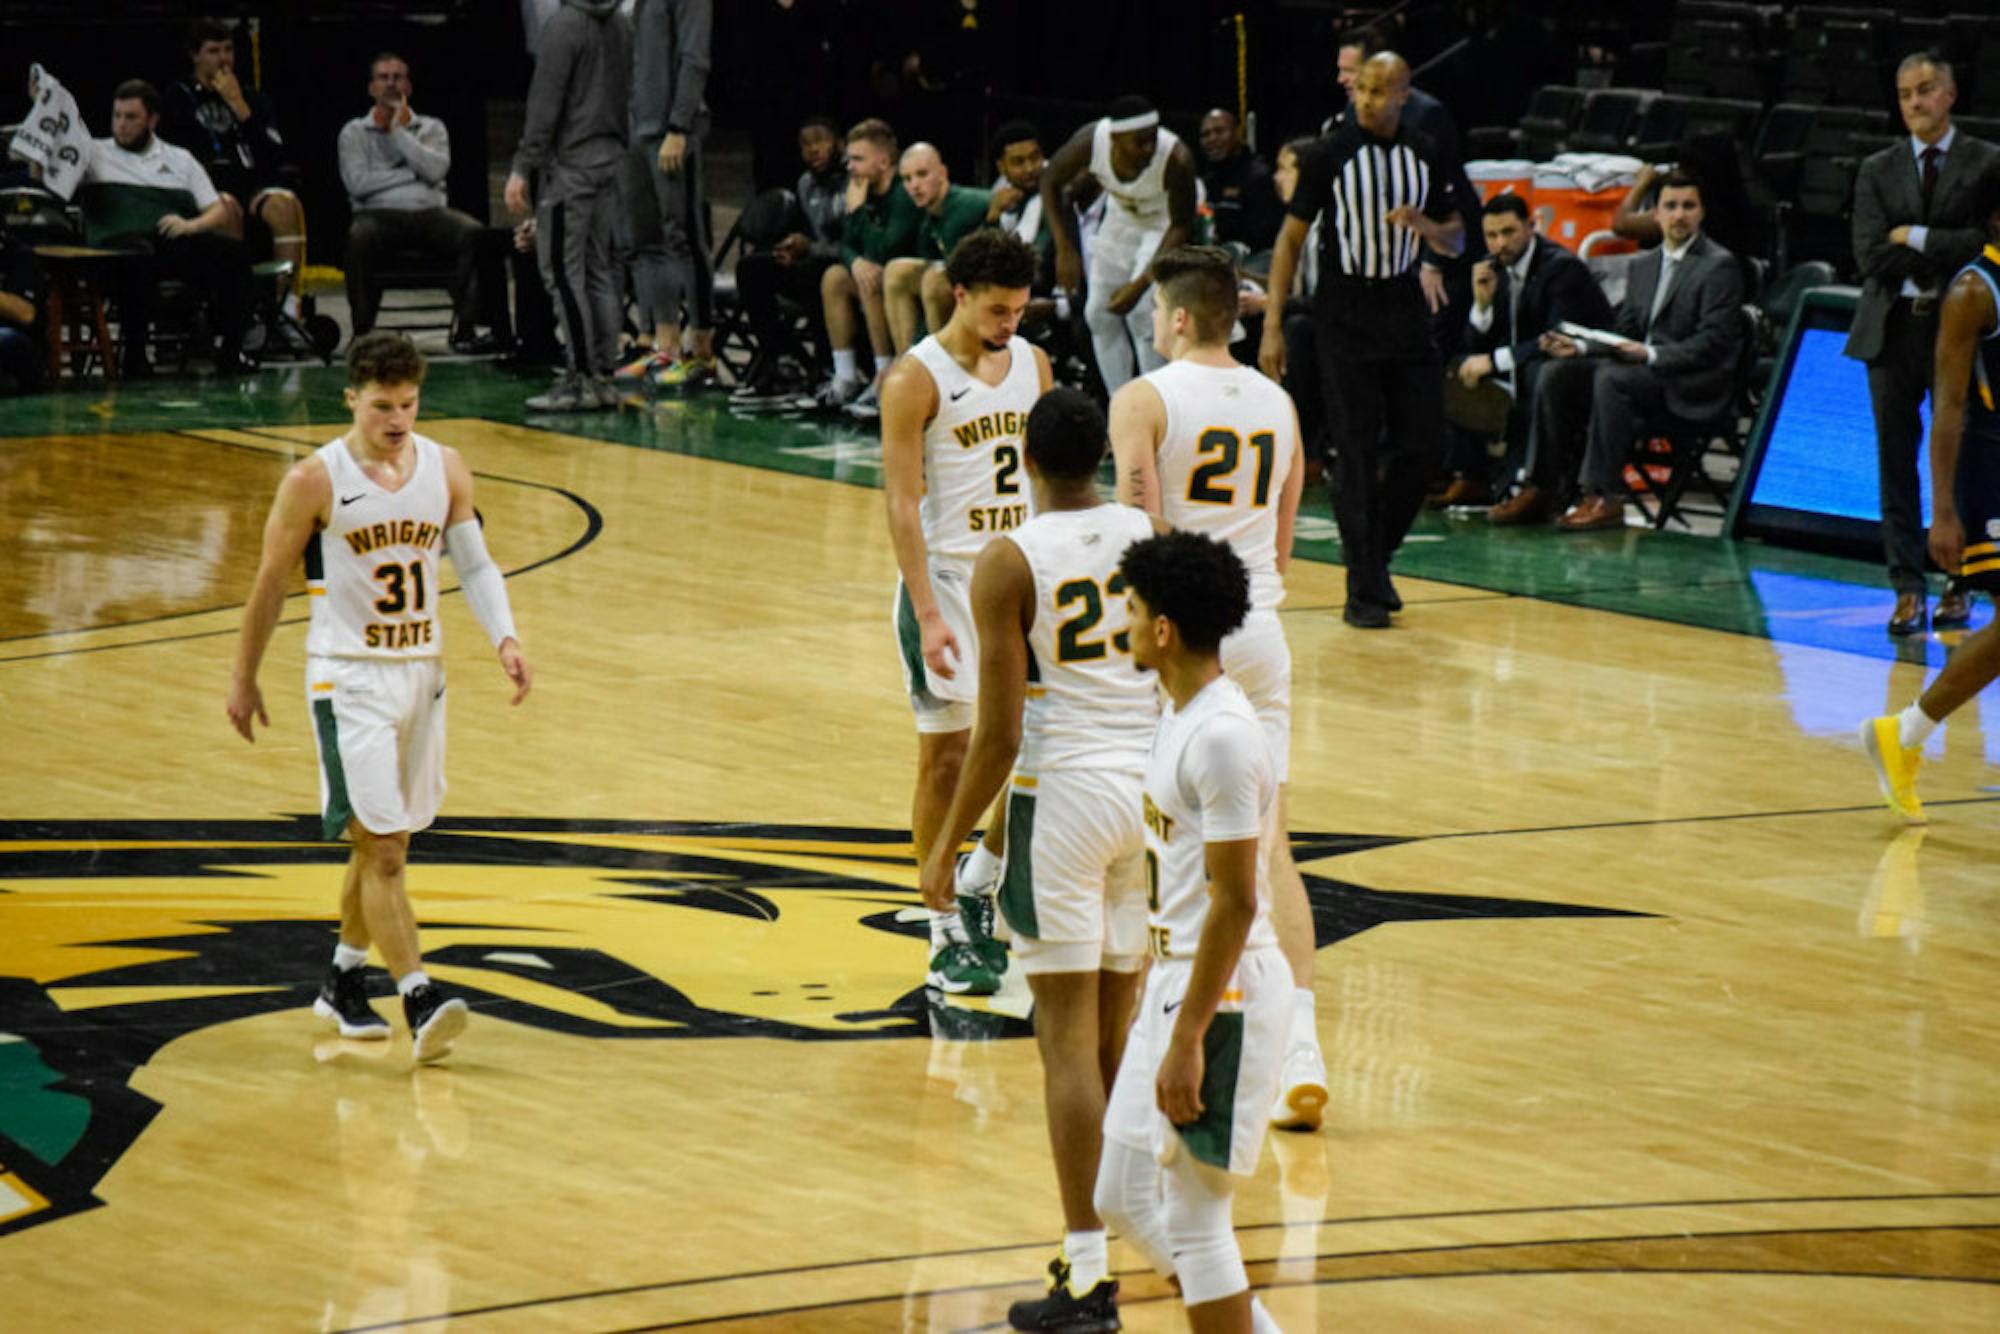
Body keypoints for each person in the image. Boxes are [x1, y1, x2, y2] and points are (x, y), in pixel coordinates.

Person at [915, 388, 1162, 1329]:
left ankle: (1088, 1269)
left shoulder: (1008, 558)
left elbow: (1001, 732)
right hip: (1144, 793)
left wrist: (950, 846)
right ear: (1100, 454)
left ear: (1021, 461)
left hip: (1060, 798)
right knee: (1111, 1036)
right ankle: (1112, 1244)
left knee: (1063, 1044)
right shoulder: (1146, 530)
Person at [224, 331, 534, 1063]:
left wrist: (506, 639)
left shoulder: (446, 468)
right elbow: (270, 584)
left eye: (410, 404)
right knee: (386, 848)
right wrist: (244, 676)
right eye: (383, 405)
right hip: (348, 677)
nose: (398, 419)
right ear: (351, 399)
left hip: (422, 674)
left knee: (380, 845)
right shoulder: (314, 481)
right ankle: (419, 993)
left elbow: (477, 565)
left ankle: (340, 979)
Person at [1109, 245, 1327, 1138]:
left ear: (1180, 318)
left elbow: (1141, 525)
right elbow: (1283, 534)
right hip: (1263, 629)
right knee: (1266, 845)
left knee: (1154, 835)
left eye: (1159, 312)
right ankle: (1302, 1052)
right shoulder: (1278, 400)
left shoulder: (1145, 396)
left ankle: (1158, 1023)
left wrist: (1161, 629)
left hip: (1184, 636)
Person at [1094, 528, 1291, 1333]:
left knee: (1197, 1220)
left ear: (1165, 629)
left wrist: (1189, 1036)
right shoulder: (1180, 711)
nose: (1125, 625)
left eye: (1134, 611)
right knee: (1124, 1195)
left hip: (1226, 992)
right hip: (1179, 982)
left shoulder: (1221, 737)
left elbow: (1237, 901)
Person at [880, 230, 1051, 995]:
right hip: (946, 584)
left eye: (1018, 309)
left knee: (1021, 752)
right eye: (997, 309)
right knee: (947, 758)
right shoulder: (915, 379)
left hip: (1021, 581)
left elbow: (1047, 482)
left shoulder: (1035, 365)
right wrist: (926, 609)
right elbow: (902, 505)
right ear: (960, 295)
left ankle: (980, 879)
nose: (1010, 323)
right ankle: (942, 920)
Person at [1261, 52, 1464, 630]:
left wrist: (1426, 228)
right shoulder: (1329, 154)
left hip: (1403, 308)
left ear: (1405, 93)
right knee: (1352, 450)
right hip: (1343, 311)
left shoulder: (1426, 150)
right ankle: (1363, 588)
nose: (1369, 100)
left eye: (1381, 91)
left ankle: (1375, 561)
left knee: (1423, 444)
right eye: (1364, 90)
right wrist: (1274, 324)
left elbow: (1455, 236)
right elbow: (1289, 242)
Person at [1861, 168, 2000, 822]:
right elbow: (1947, 406)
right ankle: (1906, 733)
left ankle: (1904, 735)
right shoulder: (1974, 289)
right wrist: (1942, 511)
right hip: (1989, 466)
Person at [1846, 53, 2000, 635]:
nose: (1915, 101)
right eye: (1906, 92)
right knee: (1895, 461)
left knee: (1957, 455)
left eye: (1927, 89)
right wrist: (1942, 244)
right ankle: (1906, 588)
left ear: (1951, 93)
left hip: (1958, 328)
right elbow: (1870, 257)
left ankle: (1959, 586)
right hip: (1890, 329)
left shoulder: (1988, 162)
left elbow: (1978, 246)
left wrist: (1913, 235)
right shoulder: (1876, 168)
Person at [1535, 171, 1742, 532]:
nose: (1680, 215)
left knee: (1613, 378)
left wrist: (1649, 356)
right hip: (1641, 375)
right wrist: (1581, 346)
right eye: (1671, 206)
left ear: (1702, 213)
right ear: (1656, 215)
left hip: (1688, 382)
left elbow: (1713, 343)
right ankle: (1544, 486)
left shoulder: (1719, 265)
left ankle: (1604, 495)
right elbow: (1623, 333)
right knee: (1557, 373)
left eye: (1688, 206)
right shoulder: (1643, 265)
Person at [505, 0, 633, 413]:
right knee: (599, 272)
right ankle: (603, 376)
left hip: (572, 168)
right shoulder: (621, 23)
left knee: (563, 273)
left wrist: (524, 164)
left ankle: (580, 379)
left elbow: (545, 103)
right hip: (611, 160)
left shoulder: (564, 27)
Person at [78, 79, 254, 377]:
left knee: (233, 253)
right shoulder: (93, 153)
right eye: (117, 116)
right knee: (138, 255)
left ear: (152, 120)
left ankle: (230, 352)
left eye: (131, 117)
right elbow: (47, 175)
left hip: (169, 240)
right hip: (116, 249)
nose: (121, 125)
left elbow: (217, 211)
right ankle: (135, 356)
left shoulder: (180, 159)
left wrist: (191, 225)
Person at [1461, 192, 1616, 522]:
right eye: (1491, 235)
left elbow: (1556, 336)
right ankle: (1471, 477)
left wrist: (1495, 360)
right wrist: (1482, 306)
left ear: (1531, 227)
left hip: (1583, 367)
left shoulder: (1562, 267)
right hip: (1529, 362)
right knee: (1455, 364)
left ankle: (1538, 486)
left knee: (1538, 373)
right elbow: (1481, 340)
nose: (1500, 243)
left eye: (1508, 232)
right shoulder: (1494, 270)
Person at [338, 52, 506, 351]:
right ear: (371, 88)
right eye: (383, 78)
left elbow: (436, 170)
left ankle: (467, 330)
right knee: (358, 235)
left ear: (409, 87)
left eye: (397, 77)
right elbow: (358, 184)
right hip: (378, 217)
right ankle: (363, 331)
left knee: (473, 232)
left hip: (431, 214)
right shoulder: (354, 132)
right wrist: (411, 175)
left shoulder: (432, 128)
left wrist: (397, 132)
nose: (391, 84)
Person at [1041, 94, 1198, 394]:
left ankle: (1161, 406)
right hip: (1120, 218)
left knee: (1144, 313)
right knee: (1098, 313)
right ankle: (1122, 405)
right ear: (1115, 138)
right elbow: (1050, 180)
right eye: (1140, 142)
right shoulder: (1090, 142)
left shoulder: (1177, 159)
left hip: (1162, 226)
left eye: (1153, 139)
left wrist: (1138, 285)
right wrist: (1064, 247)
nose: (1149, 149)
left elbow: (1181, 226)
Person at [160, 17, 308, 318]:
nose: (223, 59)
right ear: (195, 55)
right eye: (213, 51)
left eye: (228, 50)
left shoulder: (253, 99)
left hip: (250, 184)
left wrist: (240, 107)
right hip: (204, 188)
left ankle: (288, 310)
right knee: (226, 208)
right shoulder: (176, 99)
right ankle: (237, 312)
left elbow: (274, 157)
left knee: (286, 205)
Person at [613, 0, 717, 393]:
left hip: (669, 126)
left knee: (682, 235)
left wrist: (680, 125)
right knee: (643, 239)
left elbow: (695, 57)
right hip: (630, 127)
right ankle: (666, 344)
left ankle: (702, 350)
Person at [798, 118, 920, 415]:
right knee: (836, 277)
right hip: (883, 278)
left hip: (912, 278)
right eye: (849, 158)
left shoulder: (903, 193)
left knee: (872, 276)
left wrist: (856, 212)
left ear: (883, 161)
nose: (849, 166)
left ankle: (885, 378)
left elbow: (886, 248)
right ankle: (846, 377)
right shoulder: (865, 190)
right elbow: (846, 247)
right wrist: (855, 261)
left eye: (857, 159)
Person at [729, 115, 847, 405]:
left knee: (812, 271)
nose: (813, 150)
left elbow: (854, 245)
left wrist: (811, 250)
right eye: (805, 145)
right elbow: (811, 235)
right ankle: (779, 360)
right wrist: (793, 248)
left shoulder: (853, 182)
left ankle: (826, 369)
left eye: (820, 141)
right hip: (816, 263)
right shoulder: (805, 184)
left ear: (838, 143)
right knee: (752, 268)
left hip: (847, 272)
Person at [882, 142, 991, 358]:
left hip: (993, 289)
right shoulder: (930, 216)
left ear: (943, 173)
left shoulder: (965, 207)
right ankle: (905, 363)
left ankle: (938, 369)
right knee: (896, 270)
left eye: (922, 174)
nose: (914, 185)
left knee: (935, 281)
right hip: (965, 287)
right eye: (907, 179)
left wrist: (920, 341)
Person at [1195, 108, 1281, 256]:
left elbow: (1264, 240)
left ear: (1238, 133)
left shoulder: (1259, 178)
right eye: (1205, 135)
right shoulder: (1205, 182)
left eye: (1219, 131)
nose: (1212, 139)